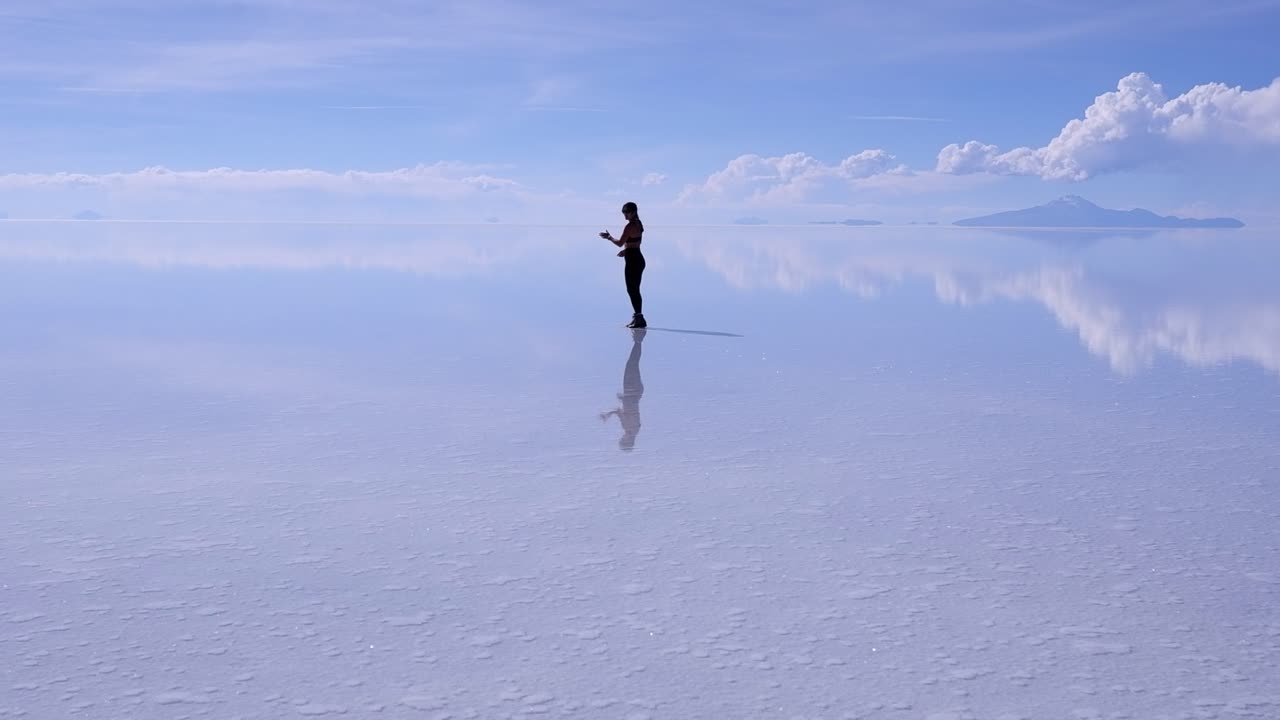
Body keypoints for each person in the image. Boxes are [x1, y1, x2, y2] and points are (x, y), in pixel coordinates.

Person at [599, 201, 646, 328]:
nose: (625, 215)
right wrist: (627, 250)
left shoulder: (630, 226)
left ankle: (639, 318)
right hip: (637, 257)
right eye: (623, 212)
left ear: (634, 212)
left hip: (633, 260)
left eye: (627, 212)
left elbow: (620, 242)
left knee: (632, 290)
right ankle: (638, 316)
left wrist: (609, 237)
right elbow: (636, 242)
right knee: (634, 289)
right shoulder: (639, 224)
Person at [600, 328, 646, 451]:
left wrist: (608, 415)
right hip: (633, 391)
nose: (622, 438)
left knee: (631, 364)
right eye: (623, 440)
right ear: (628, 441)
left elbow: (620, 412)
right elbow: (632, 410)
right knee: (632, 364)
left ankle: (638, 341)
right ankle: (638, 340)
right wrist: (625, 398)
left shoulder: (628, 428)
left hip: (630, 391)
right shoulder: (633, 428)